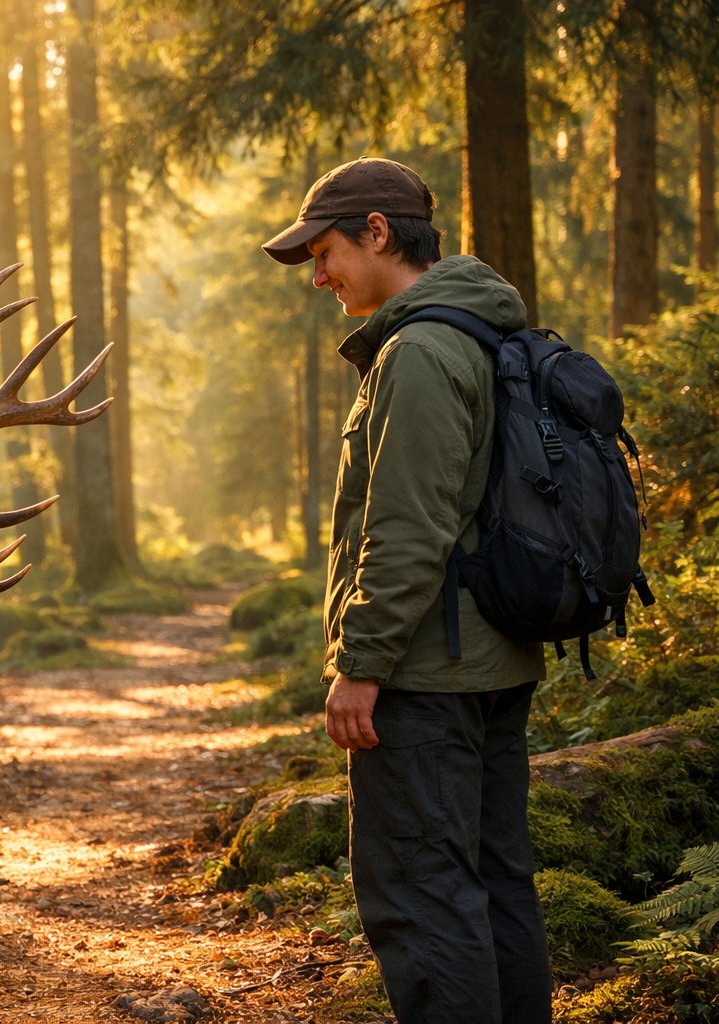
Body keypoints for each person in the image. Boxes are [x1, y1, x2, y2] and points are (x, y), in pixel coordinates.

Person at [261, 157, 553, 1024]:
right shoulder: (477, 332)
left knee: (423, 894)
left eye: (324, 253)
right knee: (496, 883)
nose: (318, 276)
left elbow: (407, 530)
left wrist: (361, 664)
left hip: (426, 675)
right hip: (489, 659)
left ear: (378, 232)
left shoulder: (422, 350)